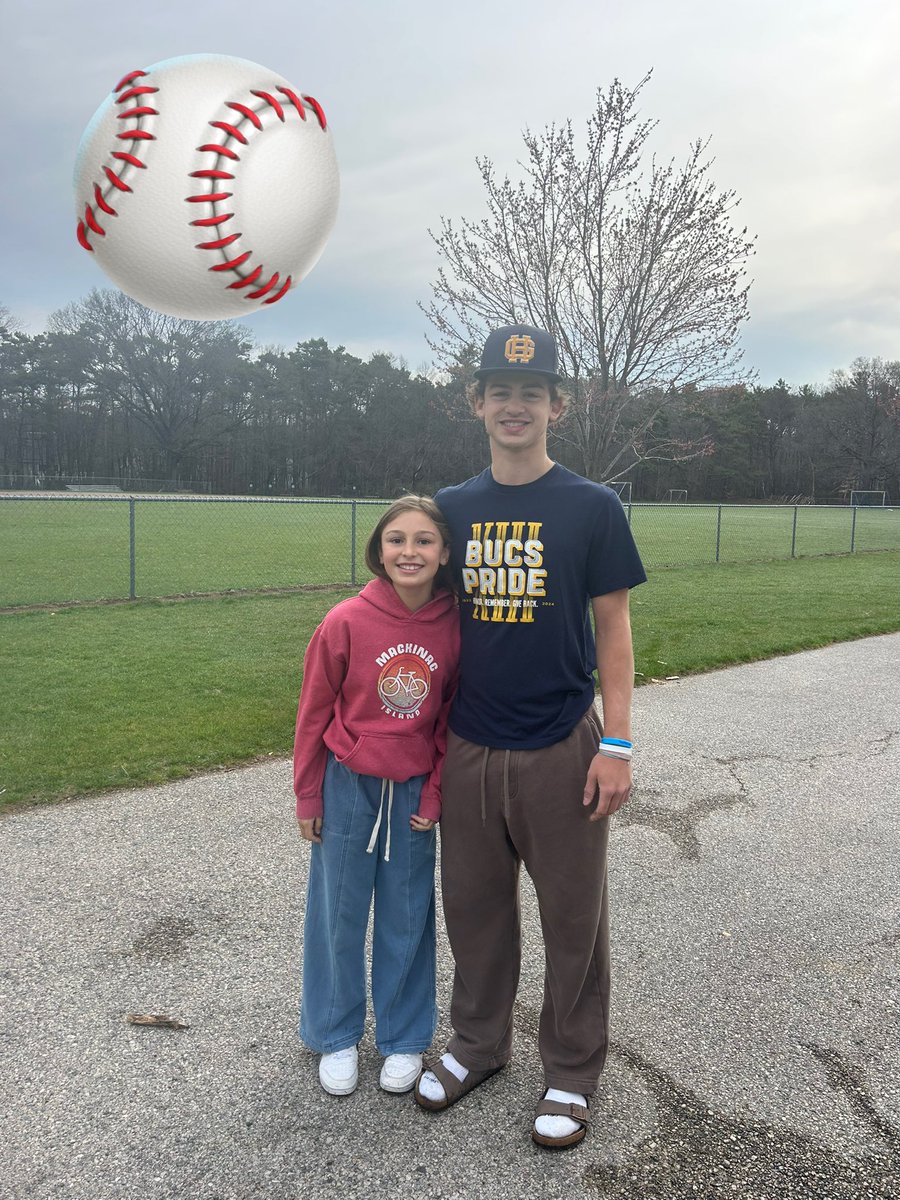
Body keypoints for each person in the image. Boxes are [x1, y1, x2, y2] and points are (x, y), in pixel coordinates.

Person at [414, 325, 647, 1148]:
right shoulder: (452, 509)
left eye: (533, 391)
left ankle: (573, 1069)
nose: (516, 405)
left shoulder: (592, 507)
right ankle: (479, 1045)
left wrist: (617, 743)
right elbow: (419, 618)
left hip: (561, 741)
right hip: (471, 744)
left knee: (573, 918)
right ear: (476, 403)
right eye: (500, 391)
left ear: (558, 403)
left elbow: (613, 628)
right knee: (473, 912)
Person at [294, 495, 459, 1098]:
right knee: (337, 913)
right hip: (348, 786)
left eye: (423, 540)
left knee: (407, 916)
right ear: (379, 549)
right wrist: (308, 795)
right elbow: (313, 713)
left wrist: (436, 793)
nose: (408, 552)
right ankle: (335, 1034)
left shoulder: (454, 626)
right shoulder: (345, 621)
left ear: (444, 553)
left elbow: (448, 721)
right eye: (396, 540)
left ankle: (404, 1036)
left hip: (413, 790)